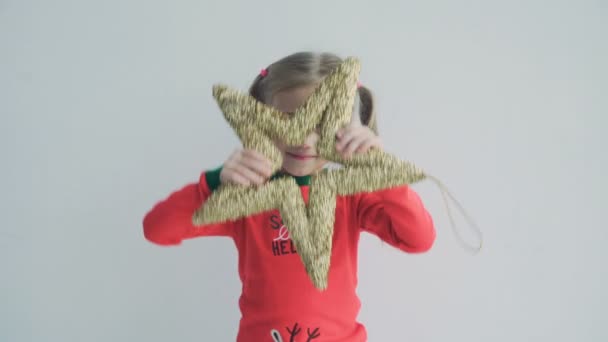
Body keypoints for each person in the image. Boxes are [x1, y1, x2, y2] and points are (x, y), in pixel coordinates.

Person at [143, 51, 436, 342]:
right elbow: (157, 229)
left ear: (345, 128)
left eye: (322, 124)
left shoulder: (351, 196)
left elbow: (419, 239)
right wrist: (215, 181)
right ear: (260, 120)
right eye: (289, 120)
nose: (305, 140)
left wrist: (382, 173)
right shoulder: (245, 196)